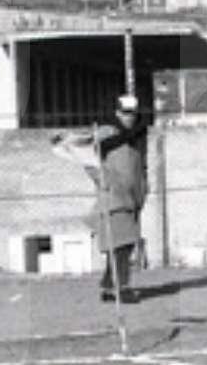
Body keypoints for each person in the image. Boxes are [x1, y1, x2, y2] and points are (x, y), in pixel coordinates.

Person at [62, 92, 150, 304]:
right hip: (113, 198)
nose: (129, 117)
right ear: (117, 112)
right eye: (125, 112)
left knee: (123, 244)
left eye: (132, 113)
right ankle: (122, 288)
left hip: (133, 198)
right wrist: (104, 181)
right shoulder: (105, 132)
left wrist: (143, 188)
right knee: (122, 243)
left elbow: (141, 166)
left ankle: (109, 286)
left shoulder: (138, 135)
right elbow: (88, 160)